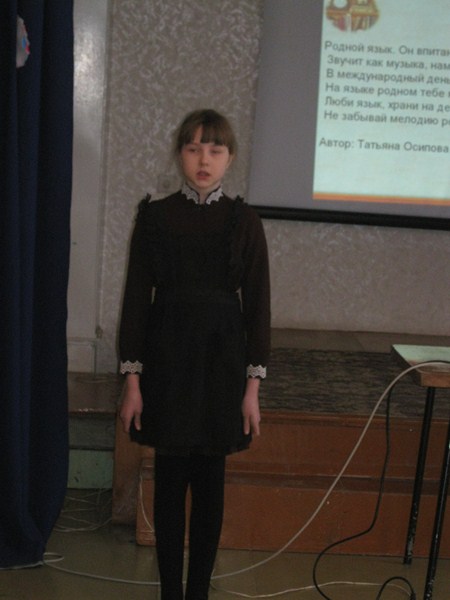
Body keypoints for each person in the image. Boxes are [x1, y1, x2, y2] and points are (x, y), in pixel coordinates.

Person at [118, 109, 271, 600]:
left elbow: (259, 309)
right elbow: (136, 302)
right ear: (180, 154)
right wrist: (132, 382)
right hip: (167, 363)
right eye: (193, 148)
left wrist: (252, 390)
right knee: (168, 484)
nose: (204, 160)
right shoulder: (156, 216)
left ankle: (199, 592)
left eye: (215, 150)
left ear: (230, 157)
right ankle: (170, 592)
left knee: (210, 486)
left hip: (221, 366)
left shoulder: (245, 221)